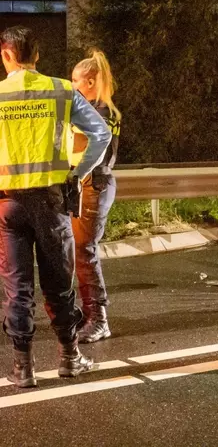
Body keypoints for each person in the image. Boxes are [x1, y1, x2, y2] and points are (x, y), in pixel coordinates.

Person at [0, 26, 111, 388]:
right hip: (51, 201)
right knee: (58, 284)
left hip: (8, 205)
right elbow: (101, 134)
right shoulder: (62, 90)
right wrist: (78, 173)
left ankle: (23, 370)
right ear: (37, 56)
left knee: (18, 288)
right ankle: (69, 359)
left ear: (6, 56)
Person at [69, 49, 121, 343]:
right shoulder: (107, 110)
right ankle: (87, 314)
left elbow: (82, 149)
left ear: (90, 81)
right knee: (78, 251)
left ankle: (99, 318)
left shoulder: (96, 113)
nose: (73, 86)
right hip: (95, 184)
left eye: (76, 80)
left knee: (84, 251)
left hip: (93, 184)